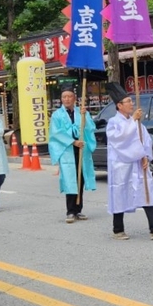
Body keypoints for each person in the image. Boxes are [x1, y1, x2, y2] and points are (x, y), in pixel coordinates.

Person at [105, 83, 153, 241]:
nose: (131, 104)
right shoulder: (114, 123)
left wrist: (145, 155)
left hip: (138, 163)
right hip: (122, 164)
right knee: (120, 193)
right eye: (128, 101)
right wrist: (133, 121)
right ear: (119, 105)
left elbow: (145, 140)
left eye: (131, 101)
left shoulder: (136, 122)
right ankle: (118, 229)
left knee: (146, 191)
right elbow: (120, 139)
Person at [49, 84, 96, 223]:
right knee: (70, 180)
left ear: (74, 98)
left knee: (80, 179)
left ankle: (79, 209)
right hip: (67, 149)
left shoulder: (81, 112)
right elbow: (56, 133)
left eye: (69, 96)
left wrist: (85, 117)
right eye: (64, 97)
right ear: (61, 99)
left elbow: (90, 128)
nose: (67, 99)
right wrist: (73, 141)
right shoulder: (57, 115)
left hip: (81, 149)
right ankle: (70, 211)